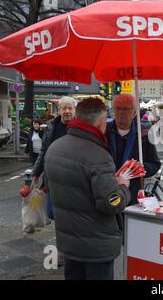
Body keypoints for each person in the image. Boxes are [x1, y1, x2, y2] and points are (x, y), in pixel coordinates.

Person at [44, 98, 131, 280]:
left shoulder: (54, 148)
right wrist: (122, 185)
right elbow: (111, 203)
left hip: (68, 241)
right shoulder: (98, 155)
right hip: (96, 246)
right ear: (100, 122)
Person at [106, 94, 161, 204]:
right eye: (118, 108)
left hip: (131, 194)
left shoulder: (143, 135)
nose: (121, 112)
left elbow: (155, 164)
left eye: (126, 109)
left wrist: (140, 169)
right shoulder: (104, 131)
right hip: (107, 190)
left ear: (134, 112)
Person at [32, 96, 77, 219]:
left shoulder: (80, 127)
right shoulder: (52, 126)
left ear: (74, 110)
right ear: (59, 110)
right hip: (53, 175)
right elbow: (43, 152)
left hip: (73, 176)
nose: (67, 111)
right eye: (64, 108)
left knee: (69, 212)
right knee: (51, 213)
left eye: (70, 108)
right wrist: (36, 172)